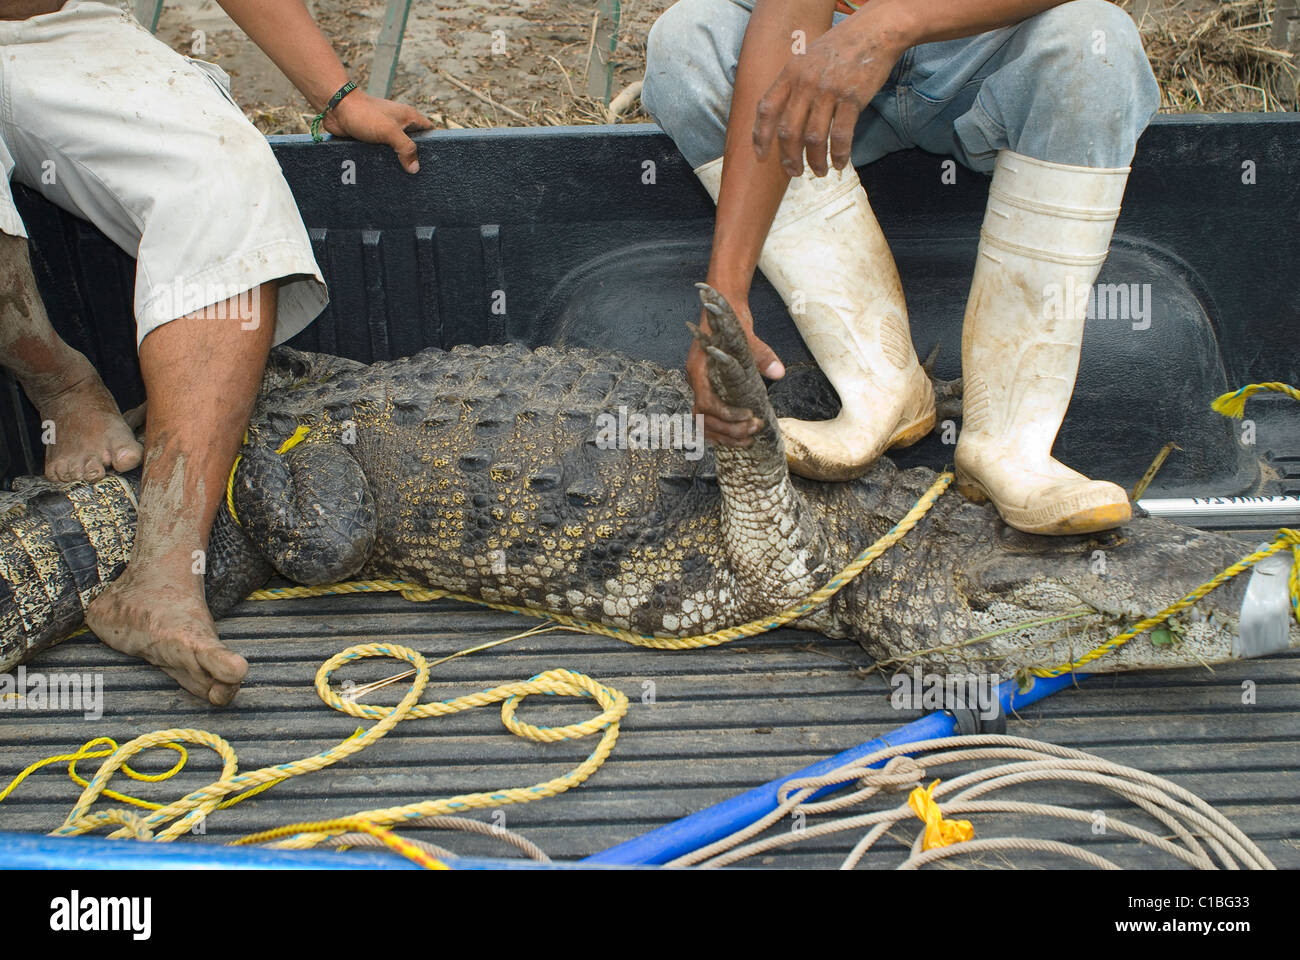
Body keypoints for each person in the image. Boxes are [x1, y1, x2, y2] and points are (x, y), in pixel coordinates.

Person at [0, 0, 431, 704]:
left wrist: (338, 95)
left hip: (53, 30)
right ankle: (61, 385)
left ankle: (164, 569)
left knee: (227, 173)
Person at [642, 0, 1160, 535]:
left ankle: (1011, 441)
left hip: (992, 45)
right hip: (831, 72)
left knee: (1098, 42)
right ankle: (881, 387)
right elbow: (791, 14)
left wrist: (890, 25)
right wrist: (726, 299)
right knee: (688, 41)